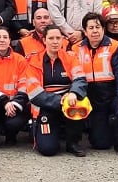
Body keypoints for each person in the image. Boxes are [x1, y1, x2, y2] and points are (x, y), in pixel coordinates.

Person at [73, 12, 118, 154]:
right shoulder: (76, 49)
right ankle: (103, 129)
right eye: (91, 28)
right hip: (90, 96)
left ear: (103, 29)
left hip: (112, 94)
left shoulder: (115, 46)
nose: (95, 31)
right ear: (85, 31)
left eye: (98, 27)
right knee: (100, 144)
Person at [23, 25, 89, 156]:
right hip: (46, 106)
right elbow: (34, 93)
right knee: (48, 149)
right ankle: (48, 133)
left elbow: (80, 79)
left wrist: (73, 94)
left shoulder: (70, 57)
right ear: (44, 40)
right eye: (51, 38)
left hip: (70, 102)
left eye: (58, 38)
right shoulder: (33, 60)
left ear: (63, 40)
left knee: (79, 102)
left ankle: (73, 143)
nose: (55, 41)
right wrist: (60, 100)